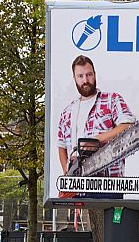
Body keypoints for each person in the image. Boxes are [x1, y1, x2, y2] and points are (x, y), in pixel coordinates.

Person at [57, 55, 134, 191]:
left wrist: (98, 139)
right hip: (78, 184)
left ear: (94, 74)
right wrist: (66, 170)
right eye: (80, 76)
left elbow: (127, 125)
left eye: (89, 74)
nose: (85, 80)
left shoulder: (111, 100)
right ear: (74, 78)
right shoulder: (67, 112)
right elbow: (61, 145)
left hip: (109, 182)